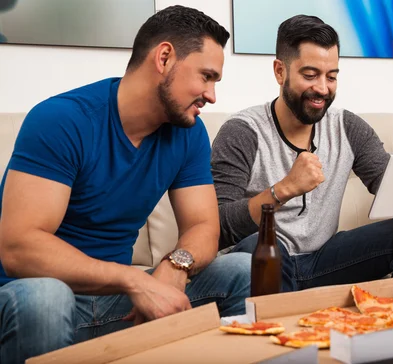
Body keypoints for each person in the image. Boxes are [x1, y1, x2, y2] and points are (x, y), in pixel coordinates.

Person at [0, 6, 251, 363]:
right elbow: (19, 249)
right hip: (30, 304)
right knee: (46, 297)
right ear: (164, 57)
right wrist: (135, 281)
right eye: (206, 77)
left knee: (241, 269)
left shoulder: (188, 134)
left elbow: (204, 226)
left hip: (119, 306)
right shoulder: (62, 120)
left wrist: (178, 264)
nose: (211, 95)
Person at [211, 15, 393, 292]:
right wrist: (283, 190)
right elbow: (218, 226)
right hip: (265, 261)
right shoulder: (242, 131)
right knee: (257, 245)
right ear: (279, 71)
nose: (322, 88)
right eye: (310, 75)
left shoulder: (347, 127)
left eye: (331, 77)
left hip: (325, 261)